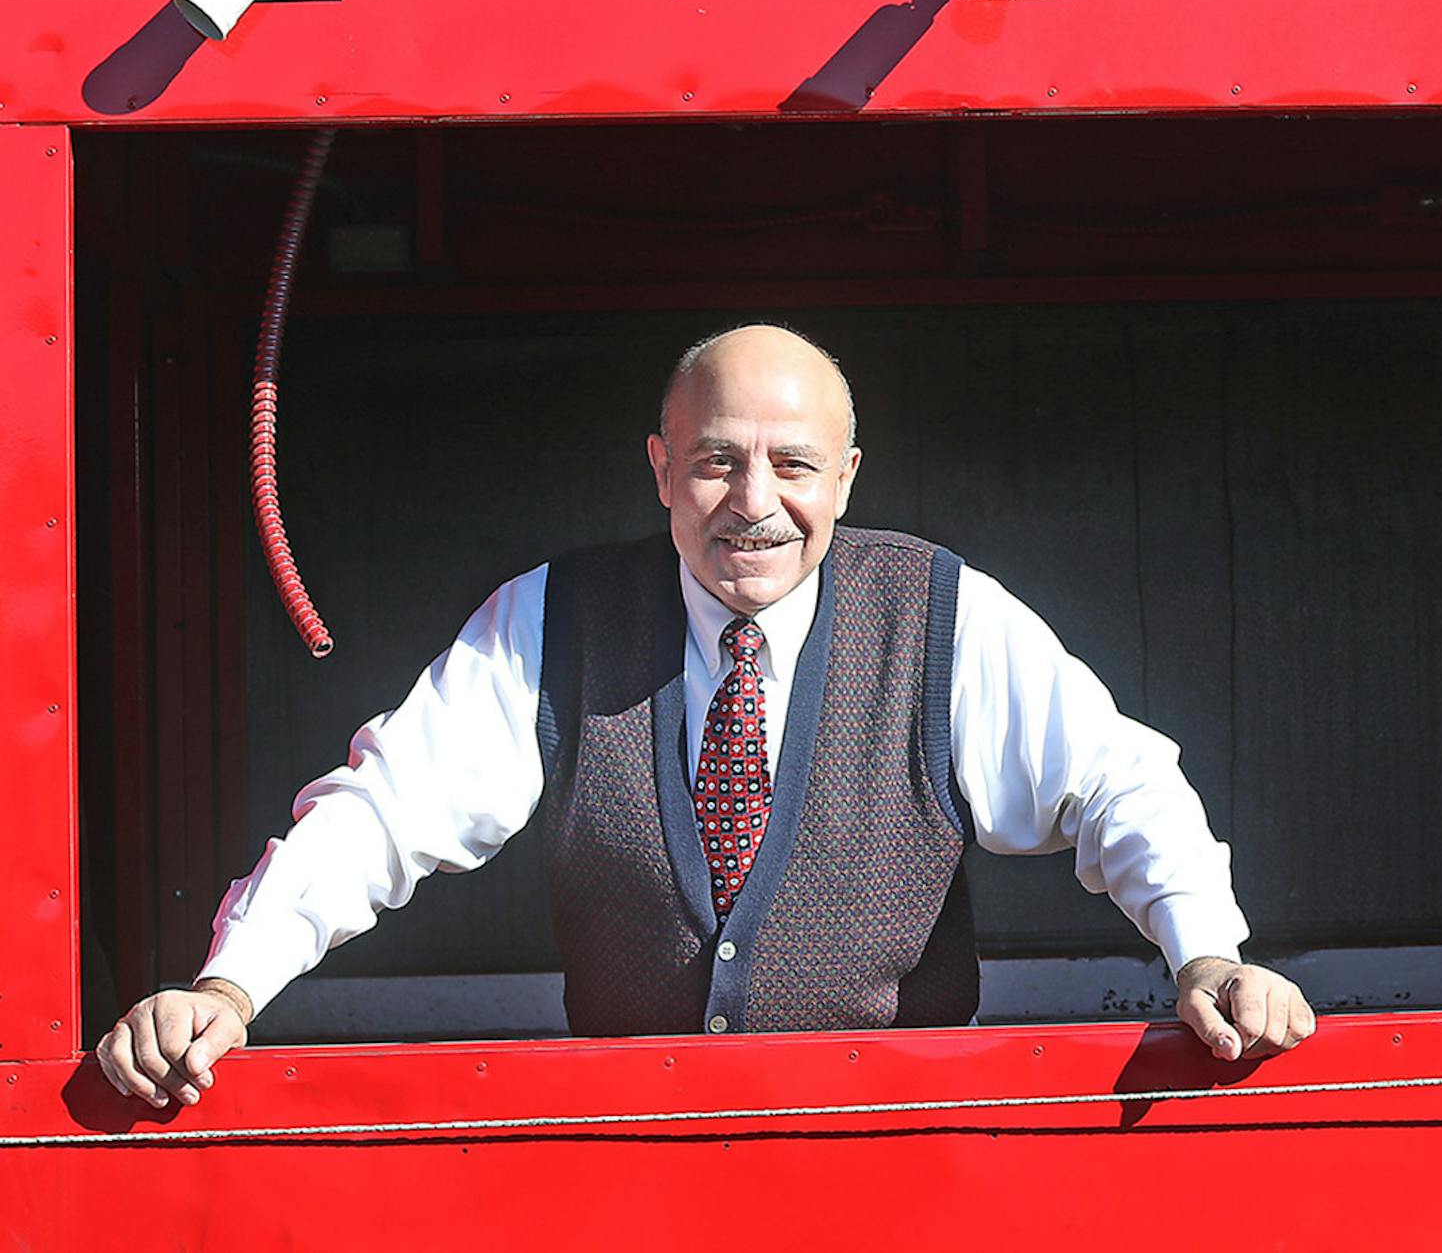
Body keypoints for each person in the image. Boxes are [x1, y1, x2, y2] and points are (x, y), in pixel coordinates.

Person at [97, 324, 1313, 1108]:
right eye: (718, 460)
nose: (755, 502)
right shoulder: (551, 615)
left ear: (846, 477)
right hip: (633, 1162)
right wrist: (232, 985)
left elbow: (1119, 787)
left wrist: (1205, 949)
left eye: (793, 464)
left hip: (907, 1156)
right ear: (660, 466)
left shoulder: (944, 611)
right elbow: (384, 810)